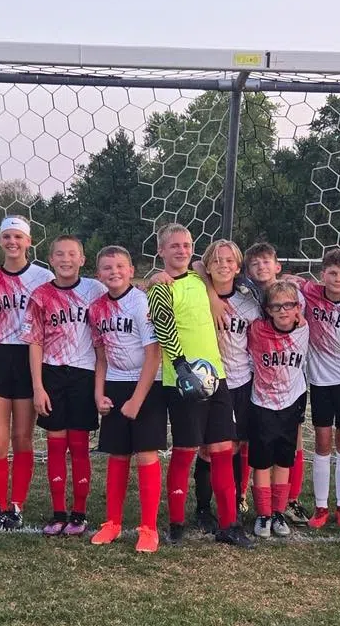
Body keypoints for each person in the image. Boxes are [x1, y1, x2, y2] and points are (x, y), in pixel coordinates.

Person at [147, 223, 253, 547]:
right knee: (186, 451)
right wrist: (182, 367)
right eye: (174, 245)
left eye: (186, 244)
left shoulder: (197, 278)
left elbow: (200, 267)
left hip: (216, 377)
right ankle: (177, 523)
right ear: (161, 251)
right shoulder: (160, 287)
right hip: (183, 381)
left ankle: (229, 524)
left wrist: (211, 292)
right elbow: (164, 327)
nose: (182, 250)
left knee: (222, 450)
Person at [0, 216, 53, 530]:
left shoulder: (44, 278)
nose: (12, 242)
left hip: (30, 360)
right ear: (0, 240)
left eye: (18, 236)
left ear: (29, 241)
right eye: (7, 236)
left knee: (22, 439)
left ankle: (16, 505)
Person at [27, 235, 107, 536]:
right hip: (52, 375)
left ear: (82, 259)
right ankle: (59, 511)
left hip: (84, 375)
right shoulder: (40, 295)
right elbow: (34, 342)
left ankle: (79, 512)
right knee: (56, 445)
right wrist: (38, 387)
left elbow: (123, 296)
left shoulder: (95, 289)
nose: (66, 259)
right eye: (59, 254)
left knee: (79, 446)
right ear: (50, 259)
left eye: (72, 254)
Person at [88, 245, 166, 552]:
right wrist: (99, 393)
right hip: (115, 384)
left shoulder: (141, 303)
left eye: (120, 266)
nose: (114, 272)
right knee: (117, 454)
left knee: (146, 454)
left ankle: (149, 528)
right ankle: (113, 523)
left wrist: (137, 399)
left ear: (131, 270)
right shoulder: (97, 308)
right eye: (107, 268)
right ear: (99, 274)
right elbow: (101, 358)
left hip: (146, 386)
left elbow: (154, 355)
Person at [241, 241, 309, 526]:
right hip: (259, 389)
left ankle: (287, 503)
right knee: (254, 446)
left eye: (266, 261)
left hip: (292, 391)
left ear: (277, 265)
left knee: (291, 446)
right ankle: (253, 502)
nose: (261, 267)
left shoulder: (298, 304)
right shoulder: (247, 296)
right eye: (255, 263)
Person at [300, 248, 340, 529]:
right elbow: (291, 280)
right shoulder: (310, 294)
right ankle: (321, 507)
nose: (338, 278)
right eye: (333, 273)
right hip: (319, 381)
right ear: (322, 274)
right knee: (322, 441)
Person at [201, 239, 258, 519]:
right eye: (216, 260)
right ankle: (202, 507)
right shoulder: (198, 296)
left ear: (238, 268)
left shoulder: (248, 304)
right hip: (207, 382)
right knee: (206, 449)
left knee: (236, 445)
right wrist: (211, 295)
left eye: (229, 261)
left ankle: (235, 501)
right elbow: (194, 265)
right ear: (207, 266)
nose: (222, 265)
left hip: (239, 381)